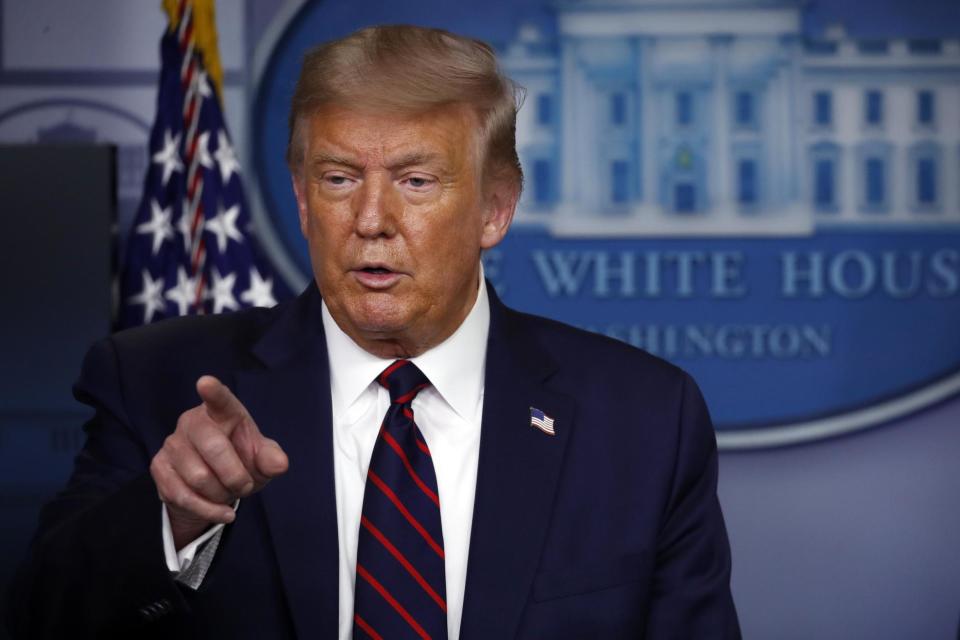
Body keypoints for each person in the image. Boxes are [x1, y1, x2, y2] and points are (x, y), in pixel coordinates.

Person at [7, 25, 740, 640]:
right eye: (337, 179)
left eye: (416, 181)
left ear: (495, 208)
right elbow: (39, 620)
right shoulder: (156, 382)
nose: (370, 219)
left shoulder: (644, 419)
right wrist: (170, 519)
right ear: (299, 198)